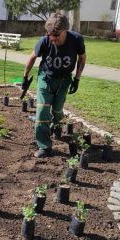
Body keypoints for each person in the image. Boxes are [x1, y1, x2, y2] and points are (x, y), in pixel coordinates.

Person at [22, 12, 86, 158]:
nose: (53, 38)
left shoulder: (76, 39)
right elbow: (32, 57)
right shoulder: (45, 40)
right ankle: (44, 146)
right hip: (46, 78)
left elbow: (82, 58)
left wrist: (77, 79)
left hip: (64, 80)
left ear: (65, 31)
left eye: (56, 35)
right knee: (42, 112)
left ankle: (53, 124)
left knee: (57, 111)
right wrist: (25, 77)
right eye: (50, 35)